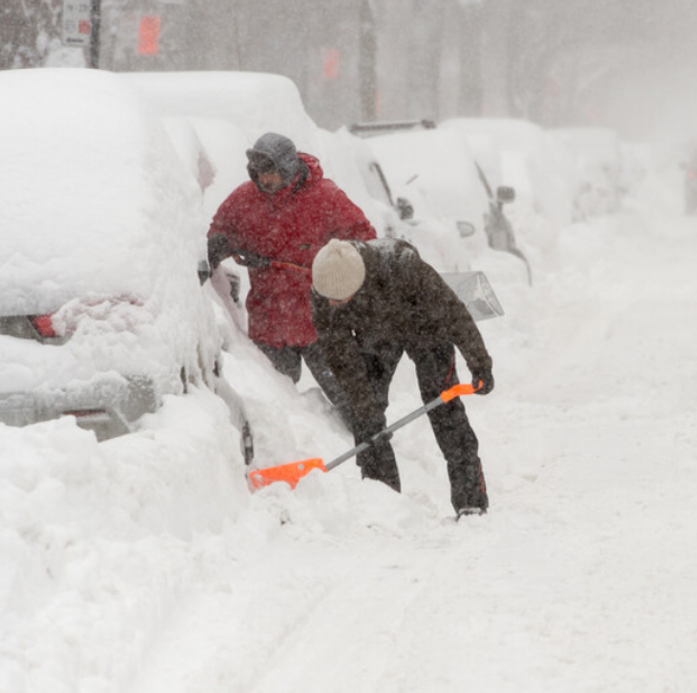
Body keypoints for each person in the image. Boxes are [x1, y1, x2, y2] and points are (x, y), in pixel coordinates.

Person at [309, 238, 493, 518]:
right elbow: (341, 356)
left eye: (339, 298)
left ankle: (471, 500)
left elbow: (454, 313)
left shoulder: (404, 267)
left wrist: (479, 363)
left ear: (357, 286)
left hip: (426, 330)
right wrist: (366, 407)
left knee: (444, 407)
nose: (332, 304)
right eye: (328, 299)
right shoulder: (325, 289)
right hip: (376, 339)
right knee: (365, 418)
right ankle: (382, 501)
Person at [206, 132, 376, 425]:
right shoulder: (244, 200)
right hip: (270, 323)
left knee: (353, 403)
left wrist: (339, 265)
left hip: (321, 321)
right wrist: (219, 245)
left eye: (271, 173)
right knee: (275, 412)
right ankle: (292, 458)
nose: (265, 181)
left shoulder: (325, 198)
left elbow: (364, 241)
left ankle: (370, 443)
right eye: (259, 174)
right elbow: (218, 234)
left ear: (288, 168)